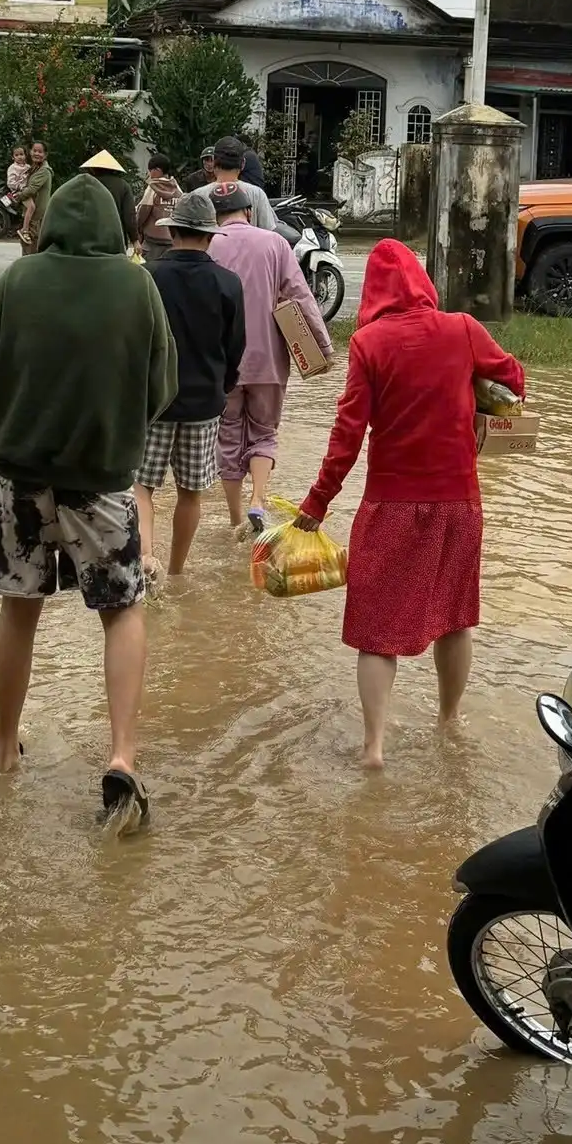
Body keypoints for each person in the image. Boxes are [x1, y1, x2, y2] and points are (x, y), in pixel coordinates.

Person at [0, 175, 177, 823]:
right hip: (101, 483)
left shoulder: (19, 280)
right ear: (116, 228)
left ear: (52, 226)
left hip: (17, 481)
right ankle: (122, 757)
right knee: (122, 612)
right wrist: (118, 431)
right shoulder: (137, 285)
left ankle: (6, 751)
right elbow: (163, 387)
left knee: (20, 610)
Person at [294, 239, 525, 771]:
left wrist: (317, 503)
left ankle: (373, 746)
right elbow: (513, 379)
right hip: (458, 505)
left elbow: (347, 436)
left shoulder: (368, 343)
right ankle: (449, 723)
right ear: (423, 284)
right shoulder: (463, 329)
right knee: (455, 618)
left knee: (377, 630)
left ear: (373, 289)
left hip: (391, 505)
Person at [208, 182, 332, 535]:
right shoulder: (275, 243)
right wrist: (322, 347)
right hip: (269, 361)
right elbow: (302, 296)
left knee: (228, 435)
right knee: (264, 433)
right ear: (249, 211)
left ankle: (234, 519)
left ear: (216, 216)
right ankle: (258, 501)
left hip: (223, 363)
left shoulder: (208, 244)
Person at [135, 190, 245, 582]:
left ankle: (146, 556)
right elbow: (236, 349)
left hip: (155, 402)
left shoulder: (148, 276)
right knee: (191, 492)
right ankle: (177, 572)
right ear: (210, 236)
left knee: (141, 484)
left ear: (173, 231)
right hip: (204, 404)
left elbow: (136, 340)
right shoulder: (228, 284)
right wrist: (221, 387)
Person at [210, 135, 279, 231]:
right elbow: (268, 231)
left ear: (213, 161)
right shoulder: (257, 194)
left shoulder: (197, 196)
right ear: (243, 164)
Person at [80, 149, 139, 248]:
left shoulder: (86, 184)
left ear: (93, 168)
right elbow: (129, 216)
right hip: (115, 237)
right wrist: (135, 240)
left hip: (89, 237)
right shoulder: (123, 186)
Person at [135, 154, 182, 268]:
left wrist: (137, 227)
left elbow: (143, 211)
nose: (149, 174)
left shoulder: (153, 188)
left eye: (150, 170)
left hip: (153, 242)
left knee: (149, 272)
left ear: (157, 170)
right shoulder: (177, 188)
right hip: (172, 239)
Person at [20, 140, 52, 253]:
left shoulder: (44, 171)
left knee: (31, 249)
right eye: (34, 151)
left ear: (45, 155)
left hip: (36, 219)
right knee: (27, 248)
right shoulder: (32, 168)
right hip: (30, 217)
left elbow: (31, 190)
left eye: (40, 152)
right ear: (30, 152)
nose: (37, 154)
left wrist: (17, 196)